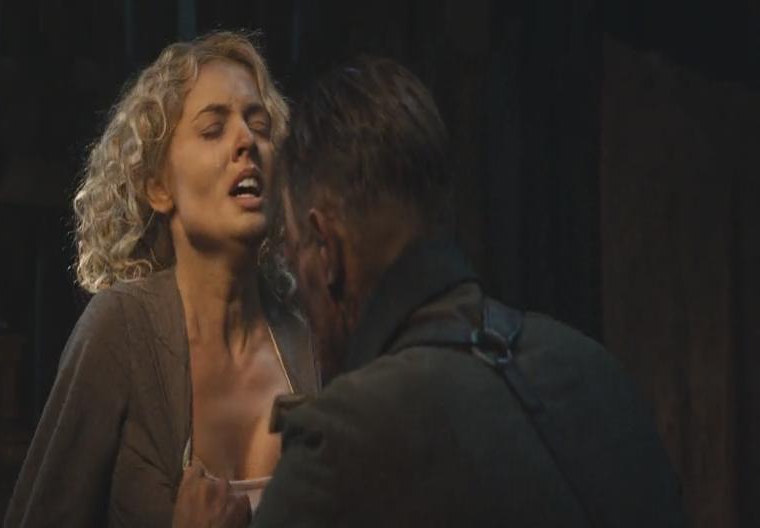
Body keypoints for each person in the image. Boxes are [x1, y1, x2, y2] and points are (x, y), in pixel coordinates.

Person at [247, 56, 687, 526]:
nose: (295, 278)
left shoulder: (341, 446)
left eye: (294, 248)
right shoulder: (596, 371)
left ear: (326, 251)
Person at [4, 31, 319, 527]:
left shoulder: (309, 337)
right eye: (213, 129)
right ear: (158, 187)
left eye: (259, 125)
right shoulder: (122, 330)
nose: (247, 142)